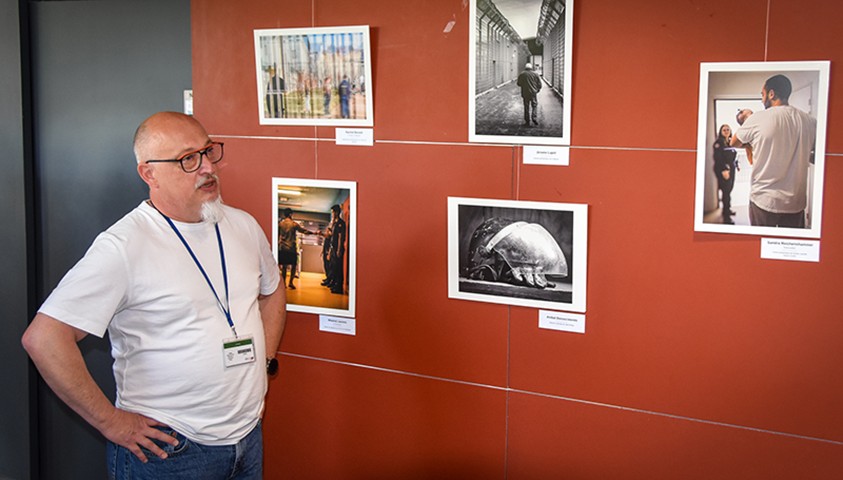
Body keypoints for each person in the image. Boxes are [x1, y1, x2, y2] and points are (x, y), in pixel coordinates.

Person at [21, 112, 286, 479]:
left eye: (208, 152)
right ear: (149, 174)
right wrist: (112, 423)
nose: (207, 167)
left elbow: (271, 292)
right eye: (188, 159)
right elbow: (44, 338)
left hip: (246, 437)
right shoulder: (123, 247)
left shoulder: (242, 225)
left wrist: (265, 362)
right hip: (169, 451)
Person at [730, 74, 817, 228]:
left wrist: (752, 133)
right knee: (789, 249)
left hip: (764, 200)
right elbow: (815, 154)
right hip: (795, 203)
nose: (762, 99)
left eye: (762, 94)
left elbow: (734, 142)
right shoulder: (810, 121)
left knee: (760, 247)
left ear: (771, 94)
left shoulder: (757, 118)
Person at [278, 207, 317, 289]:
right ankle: (291, 283)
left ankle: (284, 283)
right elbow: (304, 231)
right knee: (294, 265)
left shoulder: (280, 224)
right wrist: (314, 233)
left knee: (284, 267)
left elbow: (278, 236)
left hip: (283, 248)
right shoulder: (294, 224)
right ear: (290, 214)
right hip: (291, 248)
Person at [712, 124, 738, 224]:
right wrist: (724, 170)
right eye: (724, 130)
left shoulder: (730, 142)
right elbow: (718, 158)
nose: (726, 131)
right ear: (721, 131)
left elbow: (732, 156)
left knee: (729, 190)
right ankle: (726, 216)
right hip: (724, 170)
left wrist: (736, 164)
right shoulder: (719, 143)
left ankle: (728, 209)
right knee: (726, 192)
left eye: (728, 129)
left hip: (731, 169)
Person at [324, 204, 347, 294]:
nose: (332, 214)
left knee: (338, 268)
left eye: (333, 212)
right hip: (333, 248)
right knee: (333, 267)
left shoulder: (341, 223)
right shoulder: (335, 223)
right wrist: (330, 250)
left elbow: (340, 237)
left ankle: (339, 287)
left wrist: (338, 249)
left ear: (336, 212)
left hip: (338, 248)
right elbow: (332, 238)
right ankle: (334, 283)